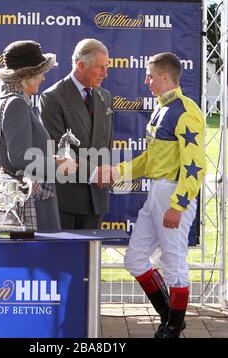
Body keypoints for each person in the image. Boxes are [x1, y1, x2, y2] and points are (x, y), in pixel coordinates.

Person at [105, 52, 206, 338]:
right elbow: (150, 160)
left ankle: (172, 328)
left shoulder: (186, 111)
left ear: (164, 77)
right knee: (135, 258)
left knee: (174, 261)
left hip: (173, 193)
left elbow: (195, 166)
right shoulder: (161, 109)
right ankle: (170, 316)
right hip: (157, 192)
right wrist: (117, 172)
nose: (146, 80)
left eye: (150, 75)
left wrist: (179, 204)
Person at [0, 40, 77, 231]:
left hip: (17, 198)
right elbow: (20, 158)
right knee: (36, 258)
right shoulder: (16, 103)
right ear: (27, 76)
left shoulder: (3, 100)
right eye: (41, 73)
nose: (43, 78)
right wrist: (59, 165)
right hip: (26, 203)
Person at [39, 38, 113, 229]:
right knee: (62, 258)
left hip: (97, 199)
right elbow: (58, 150)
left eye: (106, 67)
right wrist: (94, 173)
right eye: (100, 68)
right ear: (81, 65)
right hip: (66, 201)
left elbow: (106, 144)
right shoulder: (52, 97)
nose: (105, 73)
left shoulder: (105, 97)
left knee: (90, 259)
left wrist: (107, 173)